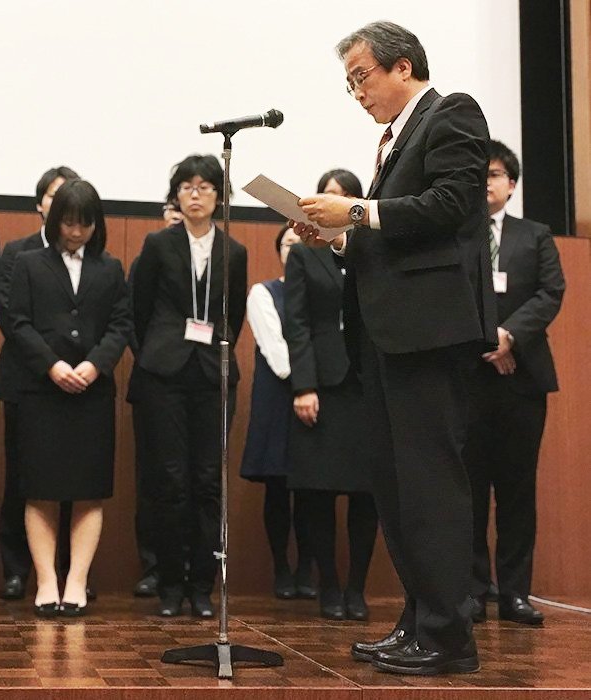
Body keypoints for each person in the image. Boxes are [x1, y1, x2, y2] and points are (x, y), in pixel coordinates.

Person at [295, 21, 495, 675]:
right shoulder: (390, 141)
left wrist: (355, 212)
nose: (355, 92)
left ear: (402, 67)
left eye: (361, 76)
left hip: (430, 335)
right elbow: (398, 236)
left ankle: (449, 636)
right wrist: (343, 236)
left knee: (431, 485)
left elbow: (450, 205)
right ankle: (419, 622)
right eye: (348, 82)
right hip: (386, 337)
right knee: (395, 488)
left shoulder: (451, 113)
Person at [130, 154, 248, 618]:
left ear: (219, 196)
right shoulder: (158, 244)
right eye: (187, 186)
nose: (195, 194)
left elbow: (232, 316)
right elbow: (140, 309)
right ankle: (169, 585)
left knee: (207, 483)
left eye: (205, 186)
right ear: (175, 194)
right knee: (169, 481)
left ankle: (203, 586)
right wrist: (152, 352)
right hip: (163, 375)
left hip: (212, 373)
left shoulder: (233, 251)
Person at [7, 179, 131, 617]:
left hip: (92, 393)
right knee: (39, 489)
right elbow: (16, 322)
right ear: (54, 220)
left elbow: (121, 325)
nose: (76, 232)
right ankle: (46, 582)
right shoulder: (27, 263)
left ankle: (76, 581)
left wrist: (95, 365)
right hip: (42, 391)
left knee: (88, 491)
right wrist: (52, 365)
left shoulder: (110, 268)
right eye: (69, 223)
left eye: (85, 224)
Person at [465, 139, 564, 626]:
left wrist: (508, 337)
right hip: (469, 378)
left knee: (517, 491)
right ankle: (473, 590)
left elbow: (551, 293)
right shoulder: (459, 235)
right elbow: (450, 295)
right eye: (480, 173)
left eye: (497, 174)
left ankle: (515, 594)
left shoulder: (535, 235)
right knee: (469, 489)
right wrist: (486, 342)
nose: (487, 182)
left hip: (522, 381)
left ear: (513, 184)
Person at [285, 170, 378, 622]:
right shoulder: (303, 255)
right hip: (321, 385)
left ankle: (357, 587)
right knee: (318, 492)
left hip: (366, 383)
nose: (332, 202)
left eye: (342, 196)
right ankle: (329, 584)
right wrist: (303, 385)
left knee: (368, 493)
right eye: (326, 195)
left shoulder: (370, 247)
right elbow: (296, 323)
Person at [0, 166, 79, 601]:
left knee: (71, 482)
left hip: (78, 382)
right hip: (28, 380)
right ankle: (16, 570)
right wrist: (50, 363)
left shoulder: (90, 255)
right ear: (40, 204)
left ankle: (69, 574)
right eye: (54, 196)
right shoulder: (17, 251)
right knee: (22, 478)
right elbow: (10, 315)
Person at [239, 225, 316, 602]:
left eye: (301, 243)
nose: (294, 249)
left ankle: (307, 568)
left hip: (316, 395)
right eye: (288, 244)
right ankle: (281, 568)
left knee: (312, 489)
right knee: (277, 486)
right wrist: (307, 379)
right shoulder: (263, 292)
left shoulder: (323, 290)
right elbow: (277, 351)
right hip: (279, 394)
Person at [128, 194, 186, 599]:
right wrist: (151, 359)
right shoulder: (150, 255)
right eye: (171, 214)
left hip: (198, 383)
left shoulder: (212, 257)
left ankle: (190, 567)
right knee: (155, 478)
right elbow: (134, 316)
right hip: (156, 380)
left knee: (196, 480)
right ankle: (154, 565)